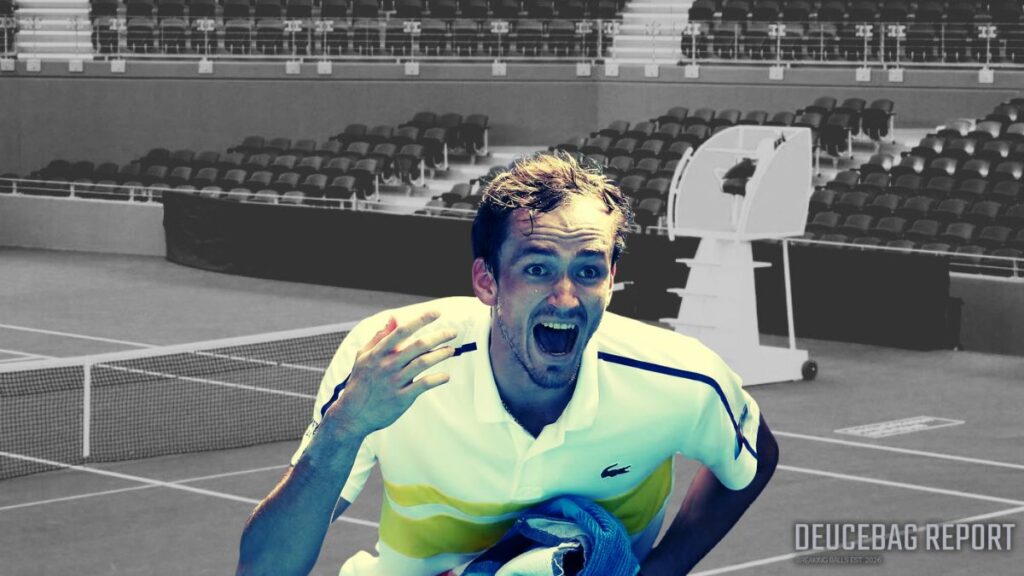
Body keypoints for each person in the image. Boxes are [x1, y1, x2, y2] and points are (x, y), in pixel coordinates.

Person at [237, 151, 779, 576]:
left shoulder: (679, 379)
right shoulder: (391, 358)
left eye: (588, 271)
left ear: (612, 280)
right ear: (487, 280)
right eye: (538, 269)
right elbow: (264, 569)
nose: (565, 298)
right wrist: (345, 428)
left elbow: (755, 454)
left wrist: (661, 570)